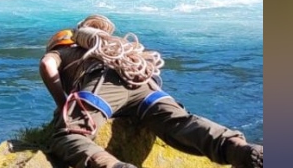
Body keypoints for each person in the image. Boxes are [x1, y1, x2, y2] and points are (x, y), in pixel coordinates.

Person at [39, 15, 263, 168]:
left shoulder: (63, 52)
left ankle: (111, 165)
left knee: (67, 135)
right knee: (180, 123)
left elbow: (46, 66)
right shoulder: (115, 49)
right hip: (144, 83)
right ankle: (240, 150)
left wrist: (63, 104)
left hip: (104, 82)